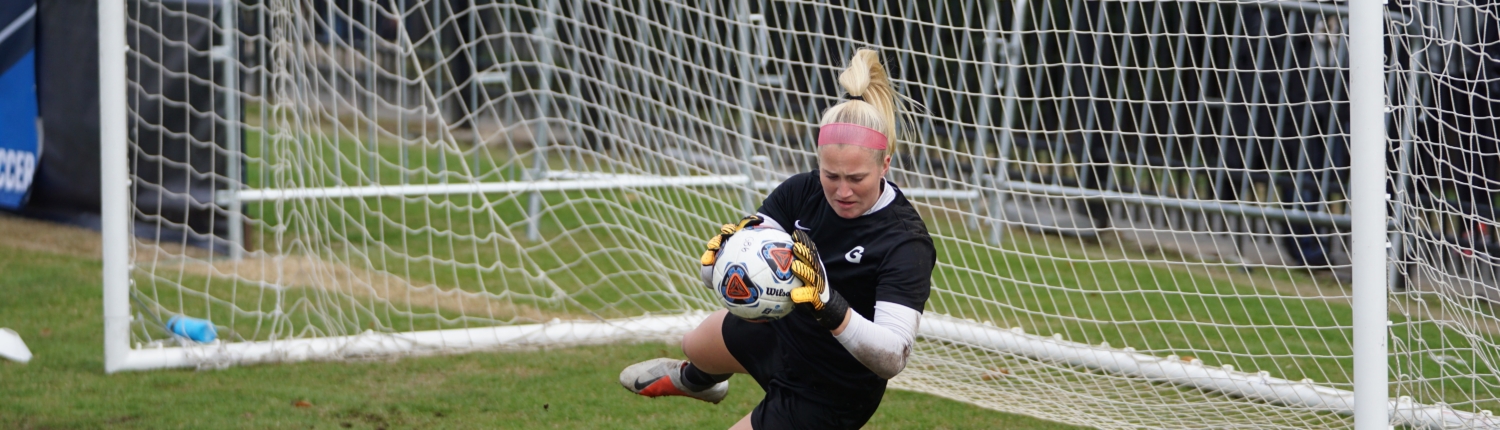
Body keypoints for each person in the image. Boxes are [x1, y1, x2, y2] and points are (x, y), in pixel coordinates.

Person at [617, 49, 937, 430]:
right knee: (695, 344)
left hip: (832, 387)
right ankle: (700, 383)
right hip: (780, 332)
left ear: (885, 165)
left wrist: (831, 308)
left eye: (856, 179)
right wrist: (716, 265)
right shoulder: (801, 191)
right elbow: (747, 256)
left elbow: (892, 357)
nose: (842, 191)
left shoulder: (905, 242)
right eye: (831, 175)